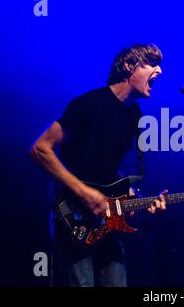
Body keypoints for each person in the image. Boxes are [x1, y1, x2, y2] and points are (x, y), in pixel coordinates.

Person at [30, 43, 167, 287]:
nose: (160, 71)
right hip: (72, 213)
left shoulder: (134, 114)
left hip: (106, 218)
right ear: (129, 66)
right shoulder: (88, 104)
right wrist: (84, 192)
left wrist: (132, 197)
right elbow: (41, 149)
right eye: (152, 64)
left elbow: (109, 168)